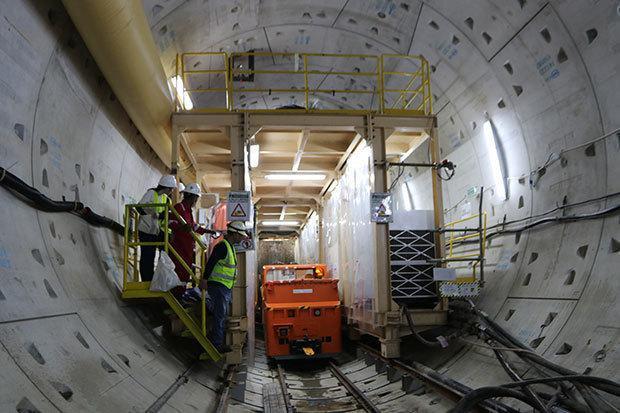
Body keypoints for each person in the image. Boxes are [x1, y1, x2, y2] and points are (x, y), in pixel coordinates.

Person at [199, 221, 248, 353]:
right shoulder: (223, 246)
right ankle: (216, 345)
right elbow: (211, 262)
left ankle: (216, 341)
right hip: (218, 286)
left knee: (220, 315)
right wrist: (204, 279)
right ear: (234, 234)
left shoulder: (229, 246)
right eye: (240, 235)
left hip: (224, 287)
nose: (242, 238)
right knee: (220, 316)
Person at [169, 183, 216, 297]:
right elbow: (170, 223)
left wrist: (209, 231)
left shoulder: (189, 211)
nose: (196, 200)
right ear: (192, 197)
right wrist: (181, 228)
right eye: (196, 197)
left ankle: (181, 294)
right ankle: (176, 296)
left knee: (186, 272)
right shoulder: (179, 208)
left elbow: (194, 226)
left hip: (188, 248)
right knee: (179, 271)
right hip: (179, 246)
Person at [137, 174, 176, 281]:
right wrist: (154, 213)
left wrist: (169, 231)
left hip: (156, 231)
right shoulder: (151, 193)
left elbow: (167, 217)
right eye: (171, 189)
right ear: (166, 187)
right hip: (145, 230)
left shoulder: (167, 200)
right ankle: (147, 281)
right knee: (147, 257)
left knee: (165, 254)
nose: (171, 191)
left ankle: (159, 279)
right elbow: (139, 208)